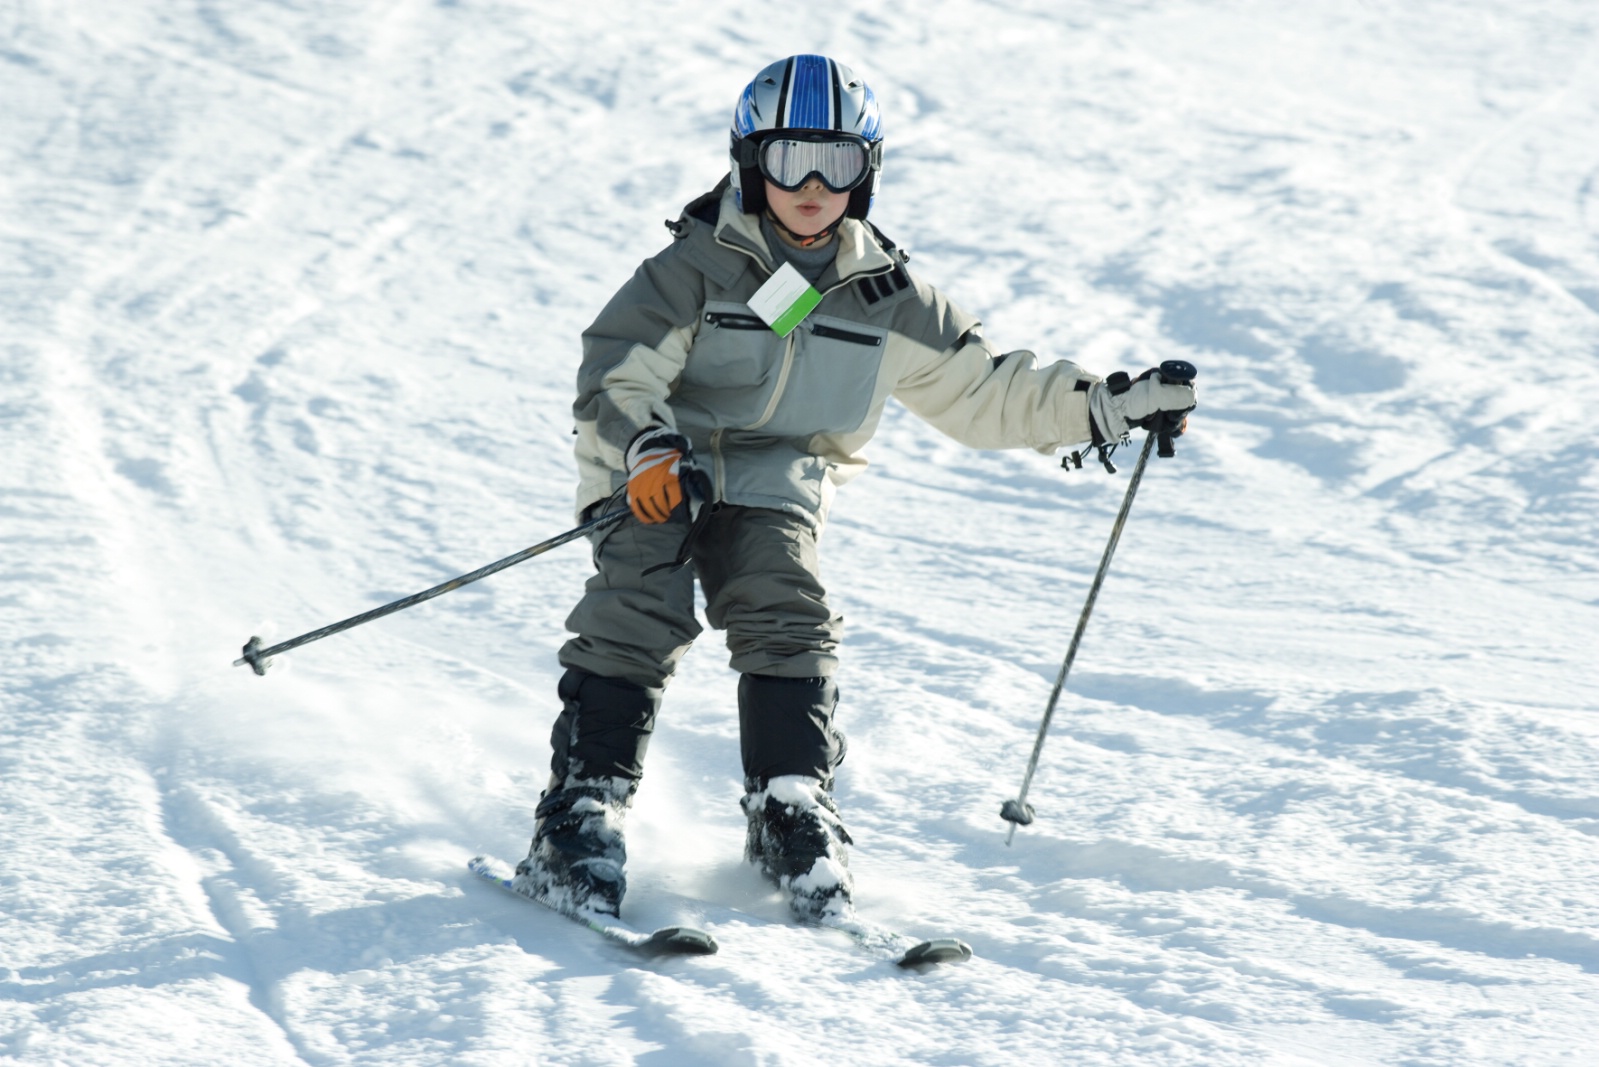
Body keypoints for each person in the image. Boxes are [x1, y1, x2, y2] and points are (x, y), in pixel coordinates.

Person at [513, 54, 1197, 923]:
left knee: (784, 599)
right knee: (640, 598)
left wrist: (1112, 407)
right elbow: (615, 373)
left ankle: (788, 804)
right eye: (787, 157)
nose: (808, 183)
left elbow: (988, 392)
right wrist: (645, 450)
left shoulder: (886, 296)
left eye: (834, 163)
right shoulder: (694, 268)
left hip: (776, 477)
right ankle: (578, 809)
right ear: (749, 162)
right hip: (659, 468)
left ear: (864, 174)